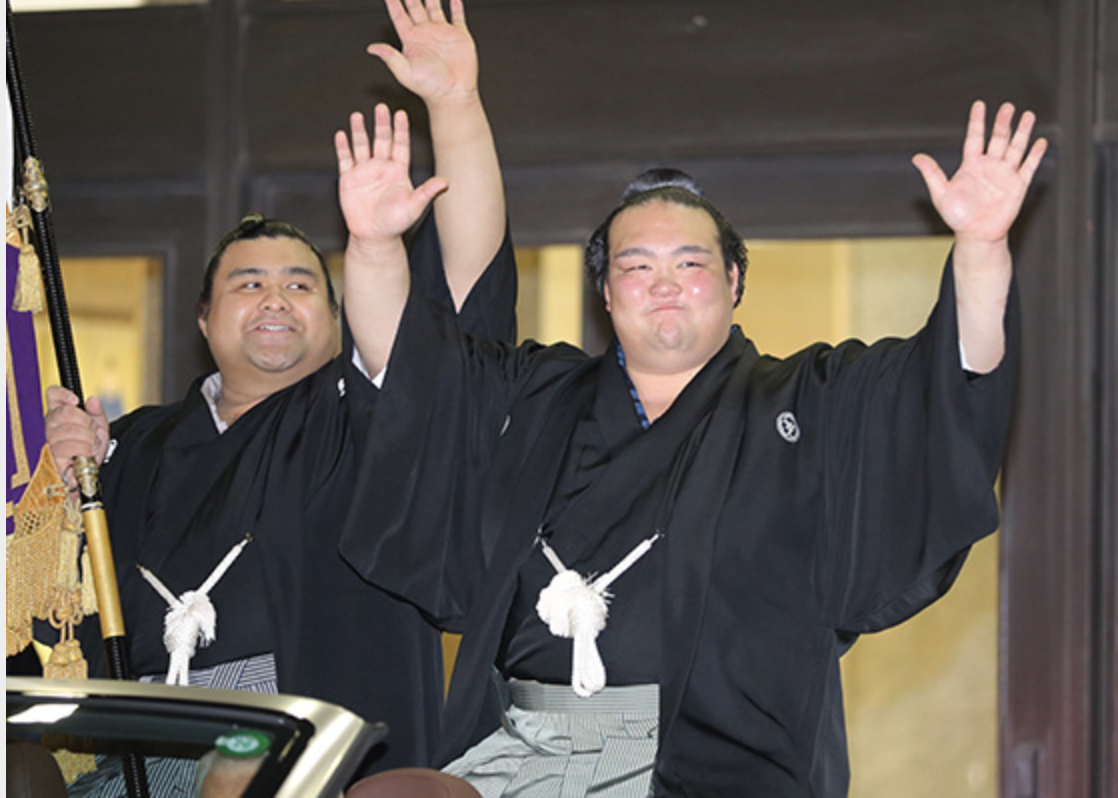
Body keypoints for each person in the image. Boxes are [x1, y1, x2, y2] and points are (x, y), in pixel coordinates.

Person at [337, 100, 1047, 796]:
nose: (665, 286)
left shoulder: (809, 402)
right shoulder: (538, 395)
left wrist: (980, 251)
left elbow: (948, 382)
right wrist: (372, 247)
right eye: (636, 267)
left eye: (690, 263)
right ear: (606, 292)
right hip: (533, 758)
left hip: (726, 769)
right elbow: (412, 377)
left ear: (734, 281)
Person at [41, 0, 513, 789]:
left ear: (339, 319)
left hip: (308, 745)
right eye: (248, 283)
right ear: (203, 317)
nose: (274, 298)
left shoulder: (359, 410)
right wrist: (58, 492)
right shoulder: (135, 441)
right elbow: (55, 617)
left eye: (300, 285)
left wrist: (455, 105)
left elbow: (460, 288)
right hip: (144, 740)